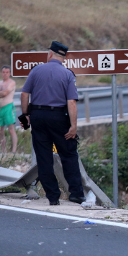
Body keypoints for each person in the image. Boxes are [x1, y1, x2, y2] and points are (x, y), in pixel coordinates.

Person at [19, 41, 86, 206]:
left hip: (38, 116)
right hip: (58, 118)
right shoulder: (67, 74)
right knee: (69, 155)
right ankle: (76, 194)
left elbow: (24, 94)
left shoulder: (36, 70)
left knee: (44, 157)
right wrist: (73, 126)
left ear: (50, 54)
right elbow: (71, 103)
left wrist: (26, 115)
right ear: (64, 57)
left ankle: (53, 196)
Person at [0, 65, 19, 154]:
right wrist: (1, 93)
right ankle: (3, 151)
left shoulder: (12, 82)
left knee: (11, 129)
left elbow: (5, 93)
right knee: (0, 131)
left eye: (7, 72)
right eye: (3, 72)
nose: (5, 74)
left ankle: (13, 151)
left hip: (8, 107)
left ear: (10, 73)